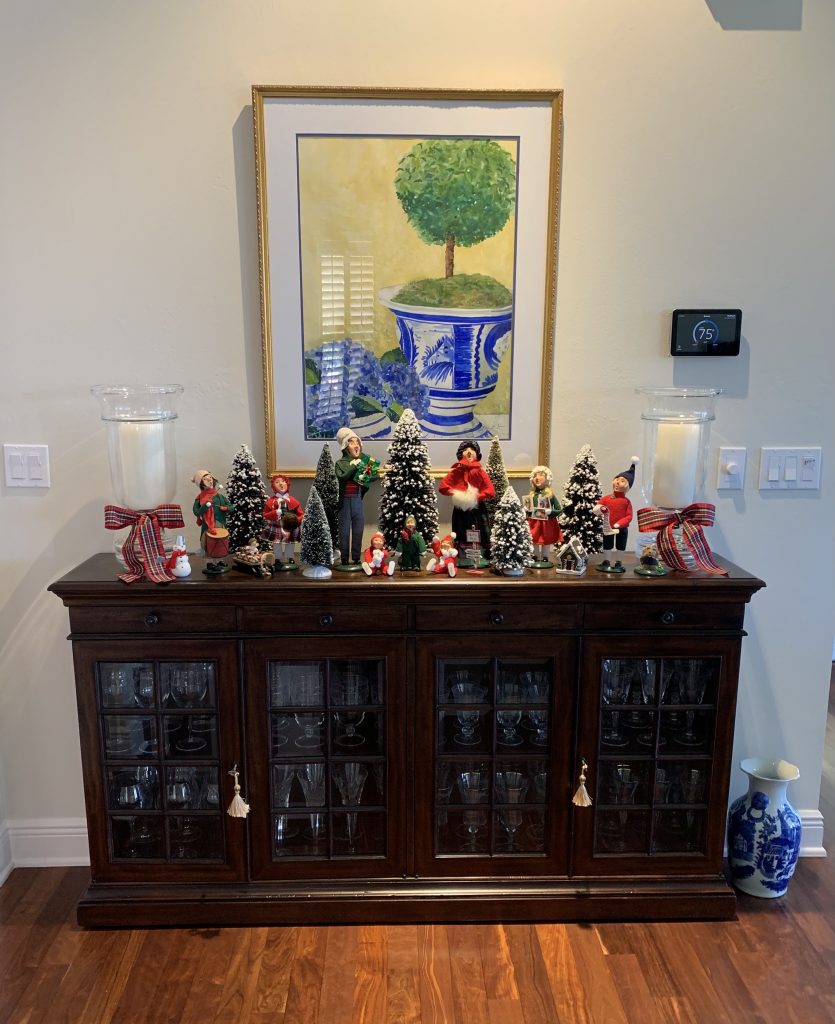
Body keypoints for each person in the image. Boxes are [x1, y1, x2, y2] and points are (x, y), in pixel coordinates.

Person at [334, 427, 383, 568]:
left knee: (358, 529)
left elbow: (374, 475)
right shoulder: (341, 463)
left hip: (357, 500)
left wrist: (365, 476)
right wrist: (354, 467)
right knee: (344, 531)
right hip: (344, 502)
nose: (356, 445)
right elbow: (342, 477)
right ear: (346, 446)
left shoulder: (364, 460)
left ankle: (356, 558)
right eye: (351, 442)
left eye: (357, 442)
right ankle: (344, 558)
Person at [439, 440, 495, 564]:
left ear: (477, 454)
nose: (469, 452)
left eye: (472, 449)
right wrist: (458, 495)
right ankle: (463, 556)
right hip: (461, 509)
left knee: (479, 530)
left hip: (477, 508)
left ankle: (480, 555)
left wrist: (475, 497)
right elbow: (443, 487)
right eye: (465, 450)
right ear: (461, 454)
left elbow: (490, 491)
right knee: (461, 531)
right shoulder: (456, 471)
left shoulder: (480, 471)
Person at [263, 472, 304, 565]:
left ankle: (290, 557)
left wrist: (295, 521)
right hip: (277, 525)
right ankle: (277, 558)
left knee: (290, 542)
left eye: (283, 481)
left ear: (287, 484)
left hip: (290, 525)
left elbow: (301, 514)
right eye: (277, 482)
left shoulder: (293, 500)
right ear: (274, 486)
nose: (281, 484)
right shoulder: (271, 501)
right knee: (277, 543)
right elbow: (265, 515)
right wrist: (275, 512)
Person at [524, 465, 562, 564]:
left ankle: (545, 556)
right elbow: (528, 509)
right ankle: (536, 556)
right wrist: (526, 510)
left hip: (547, 523)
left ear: (547, 478)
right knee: (534, 538)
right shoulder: (532, 495)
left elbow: (559, 509)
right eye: (535, 476)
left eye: (540, 475)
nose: (537, 478)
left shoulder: (550, 495)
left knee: (546, 539)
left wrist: (550, 512)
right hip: (534, 522)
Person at [192, 469, 234, 558]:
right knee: (207, 543)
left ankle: (219, 561)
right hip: (207, 526)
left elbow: (231, 507)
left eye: (210, 477)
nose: (209, 480)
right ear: (200, 483)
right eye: (205, 479)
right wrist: (205, 506)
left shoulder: (220, 497)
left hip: (220, 524)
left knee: (221, 542)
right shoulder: (199, 499)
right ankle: (210, 562)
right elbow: (196, 512)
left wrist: (226, 508)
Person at [596, 462, 636, 552]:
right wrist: (600, 510)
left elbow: (629, 516)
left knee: (621, 546)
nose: (617, 482)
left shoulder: (627, 502)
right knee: (607, 545)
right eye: (617, 479)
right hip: (608, 526)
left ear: (628, 486)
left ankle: (619, 559)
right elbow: (597, 508)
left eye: (622, 481)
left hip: (622, 528)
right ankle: (607, 559)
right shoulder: (606, 498)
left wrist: (620, 523)